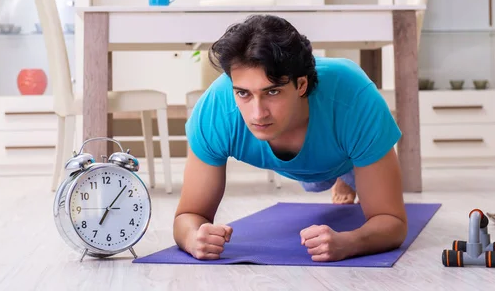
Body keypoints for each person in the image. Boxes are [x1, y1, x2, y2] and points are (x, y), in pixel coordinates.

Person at [173, 14, 407, 262]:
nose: (258, 113)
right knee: (314, 183)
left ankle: (345, 178)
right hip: (308, 162)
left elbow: (392, 222)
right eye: (243, 93)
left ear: (302, 85)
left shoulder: (354, 98)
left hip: (343, 157)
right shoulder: (216, 110)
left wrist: (349, 243)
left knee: (336, 175)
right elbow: (187, 215)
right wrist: (193, 238)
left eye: (272, 91)